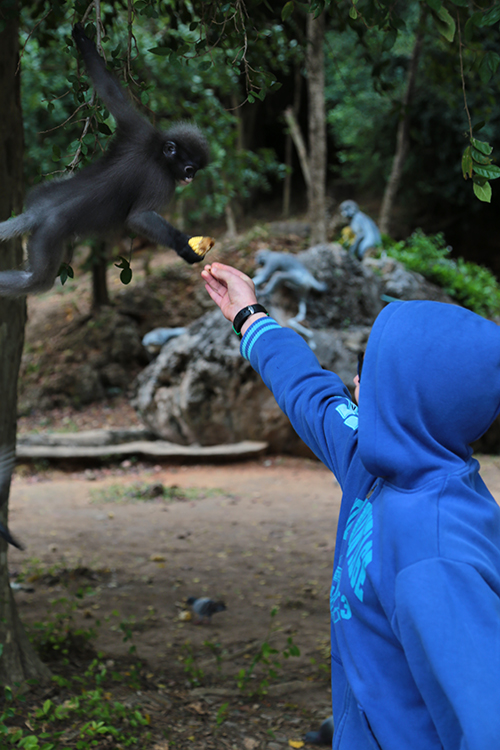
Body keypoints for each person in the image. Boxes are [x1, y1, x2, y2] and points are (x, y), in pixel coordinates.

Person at [201, 261, 500, 750]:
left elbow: (489, 727)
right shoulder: (376, 459)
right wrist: (248, 315)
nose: (356, 379)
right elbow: (312, 395)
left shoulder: (438, 554)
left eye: (375, 372)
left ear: (409, 401)